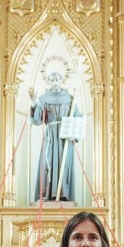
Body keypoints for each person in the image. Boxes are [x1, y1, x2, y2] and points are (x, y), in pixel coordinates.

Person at [30, 72, 80, 203]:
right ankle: (47, 195)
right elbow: (37, 120)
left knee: (64, 165)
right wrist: (34, 103)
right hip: (50, 137)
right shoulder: (43, 98)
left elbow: (78, 118)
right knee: (47, 164)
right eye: (52, 79)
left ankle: (63, 194)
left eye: (57, 79)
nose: (55, 82)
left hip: (65, 138)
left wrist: (73, 130)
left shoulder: (69, 99)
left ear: (62, 80)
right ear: (48, 81)